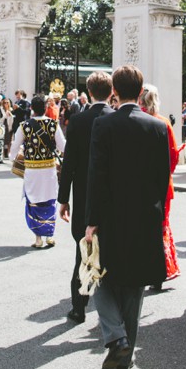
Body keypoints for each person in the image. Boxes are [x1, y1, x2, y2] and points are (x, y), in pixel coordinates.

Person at [84, 65, 171, 369]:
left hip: (111, 213)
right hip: (146, 213)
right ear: (141, 89)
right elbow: (164, 177)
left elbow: (98, 175)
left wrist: (92, 219)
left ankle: (116, 336)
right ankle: (126, 351)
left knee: (103, 277)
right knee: (134, 285)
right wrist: (159, 214)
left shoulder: (104, 125)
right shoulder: (157, 127)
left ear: (114, 93)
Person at [59, 71, 113, 324]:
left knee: (82, 254)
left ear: (89, 92)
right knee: (110, 251)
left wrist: (63, 198)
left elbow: (68, 163)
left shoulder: (78, 121)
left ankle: (78, 307)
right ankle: (110, 309)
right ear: (111, 91)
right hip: (109, 197)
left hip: (82, 196)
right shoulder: (115, 119)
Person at [8, 94, 66, 248]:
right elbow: (63, 147)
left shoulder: (24, 126)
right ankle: (50, 236)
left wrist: (15, 158)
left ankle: (38, 238)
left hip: (32, 170)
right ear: (46, 108)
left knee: (34, 202)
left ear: (32, 108)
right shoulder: (54, 125)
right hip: (49, 170)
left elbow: (14, 148)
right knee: (49, 200)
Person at [140, 84, 181, 289]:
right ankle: (162, 268)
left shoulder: (138, 122)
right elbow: (173, 156)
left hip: (141, 184)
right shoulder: (164, 122)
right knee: (161, 225)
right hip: (163, 184)